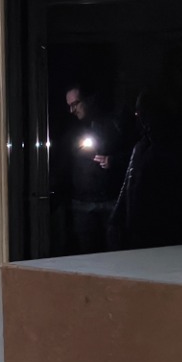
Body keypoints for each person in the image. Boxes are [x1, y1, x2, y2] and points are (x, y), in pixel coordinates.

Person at [106, 87, 182, 251]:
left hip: (164, 232)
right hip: (138, 230)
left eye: (143, 112)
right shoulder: (142, 146)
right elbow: (129, 184)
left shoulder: (177, 145)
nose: (140, 118)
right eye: (138, 113)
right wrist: (116, 219)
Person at [63, 85, 131, 254]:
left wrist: (113, 161)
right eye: (69, 106)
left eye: (75, 104)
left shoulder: (113, 125)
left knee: (115, 253)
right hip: (82, 202)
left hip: (109, 200)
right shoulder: (70, 130)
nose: (72, 110)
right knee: (88, 254)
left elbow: (131, 155)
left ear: (88, 100)